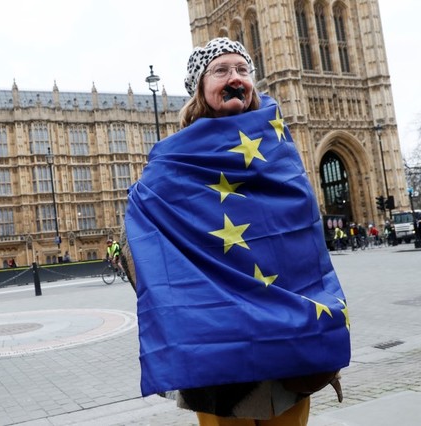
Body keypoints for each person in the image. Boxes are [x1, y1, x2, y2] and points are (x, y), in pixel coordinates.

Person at [124, 37, 350, 425]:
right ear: (199, 86)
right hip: (218, 348)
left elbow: (303, 231)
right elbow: (144, 226)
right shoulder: (175, 159)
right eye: (221, 70)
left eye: (243, 70)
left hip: (287, 337)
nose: (234, 78)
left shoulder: (276, 143)